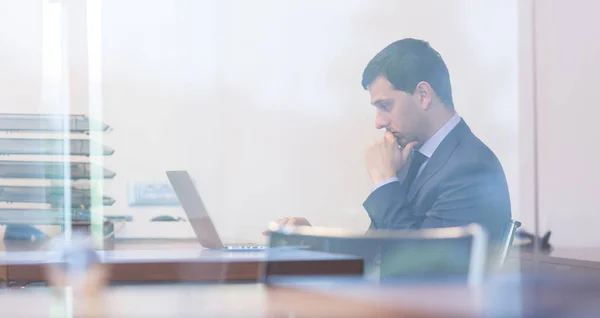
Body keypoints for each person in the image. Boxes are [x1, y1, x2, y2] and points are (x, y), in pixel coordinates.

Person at [268, 38, 511, 242]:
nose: (379, 122)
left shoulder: (471, 167)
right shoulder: (414, 157)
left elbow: (424, 267)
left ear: (423, 95)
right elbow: (377, 254)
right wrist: (312, 240)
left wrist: (384, 182)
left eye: (385, 106)